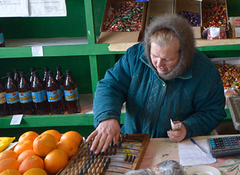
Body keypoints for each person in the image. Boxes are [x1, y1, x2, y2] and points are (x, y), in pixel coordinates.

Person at [89, 13, 226, 153]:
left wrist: (188, 128)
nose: (159, 65)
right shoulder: (135, 55)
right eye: (154, 56)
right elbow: (110, 86)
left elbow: (213, 112)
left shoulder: (204, 71)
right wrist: (107, 117)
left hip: (177, 147)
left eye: (167, 59)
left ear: (183, 54)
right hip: (133, 141)